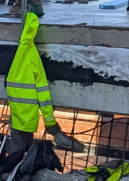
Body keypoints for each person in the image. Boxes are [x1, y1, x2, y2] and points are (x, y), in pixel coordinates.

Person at [5, 11, 83, 152]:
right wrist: (51, 124)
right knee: (21, 152)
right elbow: (43, 93)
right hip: (26, 118)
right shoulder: (30, 56)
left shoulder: (23, 55)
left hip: (18, 117)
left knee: (18, 153)